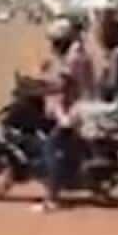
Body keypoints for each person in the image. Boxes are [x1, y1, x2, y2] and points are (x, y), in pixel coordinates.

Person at [38, 18, 89, 213]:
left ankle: (51, 198)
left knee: (50, 148)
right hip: (72, 107)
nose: (53, 46)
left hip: (74, 111)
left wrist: (41, 85)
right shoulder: (74, 53)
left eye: (55, 42)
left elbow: (62, 82)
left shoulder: (75, 57)